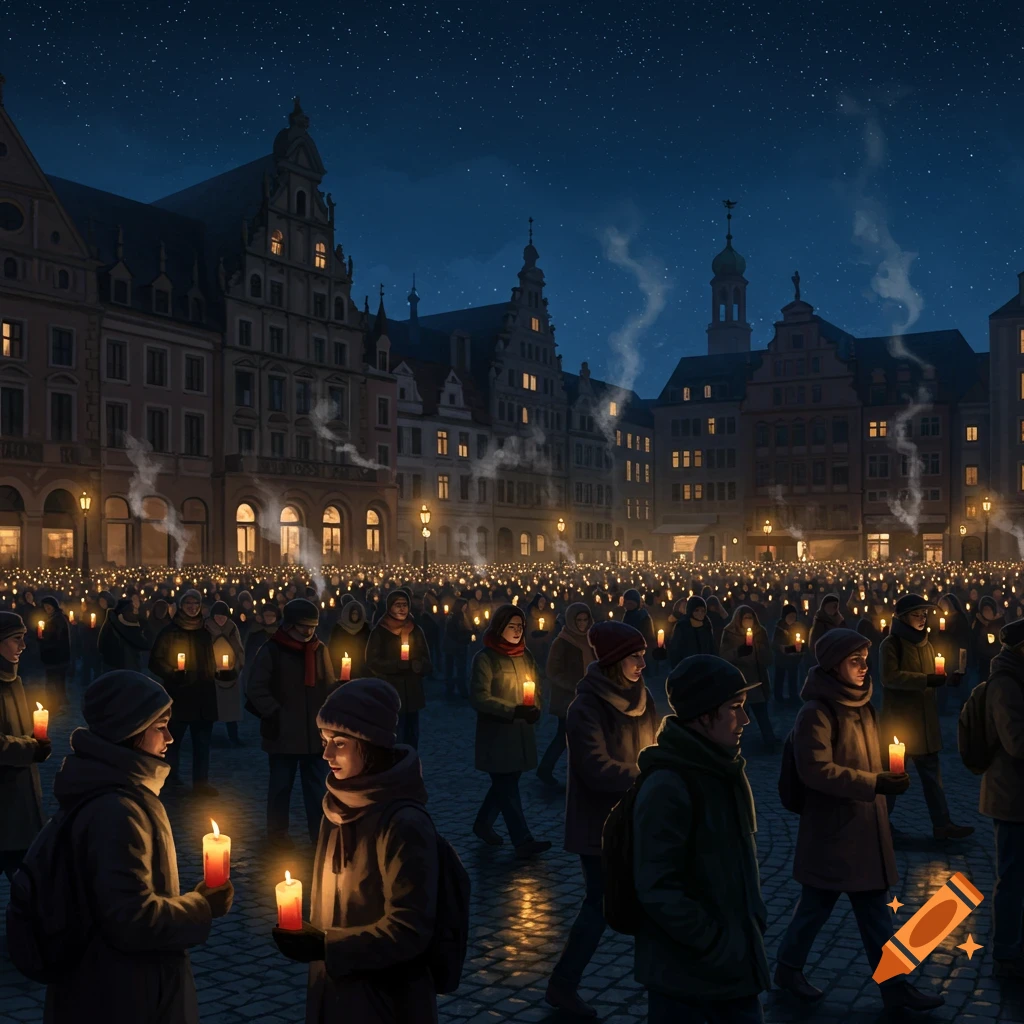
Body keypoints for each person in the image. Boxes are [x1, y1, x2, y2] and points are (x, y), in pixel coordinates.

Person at [42, 670, 233, 1021]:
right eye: (160, 727)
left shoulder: (116, 792)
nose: (171, 738)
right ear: (130, 732)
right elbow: (130, 919)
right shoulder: (117, 811)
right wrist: (201, 907)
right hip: (121, 994)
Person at [774, 629, 943, 1011]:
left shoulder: (863, 705)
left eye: (865, 659)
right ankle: (791, 970)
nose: (865, 667)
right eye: (855, 660)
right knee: (818, 908)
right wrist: (874, 782)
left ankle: (891, 985)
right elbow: (815, 770)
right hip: (834, 832)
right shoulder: (817, 712)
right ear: (834, 665)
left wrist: (886, 773)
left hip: (863, 830)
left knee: (868, 912)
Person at [272, 678, 439, 1023]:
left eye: (340, 743)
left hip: (384, 1001)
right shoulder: (336, 809)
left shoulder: (403, 823)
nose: (326, 754)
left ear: (371, 745)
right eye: (323, 741)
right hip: (335, 994)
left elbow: (410, 930)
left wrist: (327, 946)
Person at [632, 655, 769, 1023]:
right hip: (688, 977)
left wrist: (751, 918)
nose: (745, 719)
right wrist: (714, 942)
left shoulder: (723, 768)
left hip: (732, 966)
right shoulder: (669, 784)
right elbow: (658, 886)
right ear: (703, 714)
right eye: (734, 709)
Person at [546, 621, 659, 1018]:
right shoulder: (586, 707)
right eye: (635, 655)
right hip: (600, 826)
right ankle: (563, 983)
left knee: (653, 900)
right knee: (598, 906)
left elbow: (658, 742)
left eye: (643, 654)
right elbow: (595, 769)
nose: (643, 663)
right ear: (614, 660)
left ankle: (662, 985)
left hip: (641, 819)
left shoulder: (643, 697)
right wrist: (648, 773)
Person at [880, 594, 973, 841]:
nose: (922, 619)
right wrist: (926, 680)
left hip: (925, 724)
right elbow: (890, 678)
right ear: (902, 618)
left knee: (933, 779)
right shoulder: (891, 644)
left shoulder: (927, 644)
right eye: (916, 614)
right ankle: (878, 824)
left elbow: (931, 678)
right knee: (892, 779)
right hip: (901, 725)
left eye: (924, 614)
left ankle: (942, 825)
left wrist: (945, 680)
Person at [246, 598, 335, 848]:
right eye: (303, 626)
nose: (308, 632)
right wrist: (275, 712)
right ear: (289, 625)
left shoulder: (320, 650)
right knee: (280, 788)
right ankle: (277, 836)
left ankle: (319, 836)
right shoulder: (272, 649)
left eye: (312, 627)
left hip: (314, 735)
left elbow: (328, 685)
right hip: (283, 733)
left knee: (316, 789)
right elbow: (255, 687)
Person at [469, 604, 550, 858]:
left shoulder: (525, 655)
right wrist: (512, 710)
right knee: (506, 784)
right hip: (497, 735)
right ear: (499, 626)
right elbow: (479, 697)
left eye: (520, 626)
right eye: (511, 626)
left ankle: (483, 824)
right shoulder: (485, 658)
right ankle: (522, 839)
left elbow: (535, 686)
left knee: (507, 782)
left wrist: (535, 708)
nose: (517, 631)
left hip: (520, 733)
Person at [979, 619, 1024, 978]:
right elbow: (1016, 742)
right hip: (1011, 797)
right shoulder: (1005, 684)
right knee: (1010, 878)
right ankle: (1005, 951)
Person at [149, 589, 219, 795]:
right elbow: (155, 661)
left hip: (204, 695)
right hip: (179, 695)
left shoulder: (206, 632)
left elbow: (217, 657)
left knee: (202, 743)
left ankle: (201, 783)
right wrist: (173, 673)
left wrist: (222, 671)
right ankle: (170, 780)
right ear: (181, 606)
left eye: (195, 603)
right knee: (172, 741)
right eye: (188, 603)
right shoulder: (170, 632)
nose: (192, 607)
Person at [0, 613, 48, 891]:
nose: (23, 646)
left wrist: (36, 741)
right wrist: (31, 748)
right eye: (16, 639)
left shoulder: (13, 680)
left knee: (29, 883)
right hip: (6, 800)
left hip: (19, 799)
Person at [364, 589, 432, 749]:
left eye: (405, 605)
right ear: (389, 607)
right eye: (397, 605)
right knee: (395, 735)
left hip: (412, 692)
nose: (402, 609)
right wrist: (396, 665)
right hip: (391, 692)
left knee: (412, 735)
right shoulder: (380, 631)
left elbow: (427, 661)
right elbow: (372, 662)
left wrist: (419, 665)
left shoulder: (415, 630)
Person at [537, 602, 593, 786]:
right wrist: (574, 685)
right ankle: (546, 769)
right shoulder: (562, 642)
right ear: (571, 621)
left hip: (587, 697)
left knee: (583, 737)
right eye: (579, 620)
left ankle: (580, 774)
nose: (583, 624)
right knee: (563, 737)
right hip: (568, 699)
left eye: (585, 620)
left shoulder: (591, 639)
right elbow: (552, 671)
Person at [720, 605, 776, 752]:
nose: (748, 621)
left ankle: (769, 740)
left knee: (762, 713)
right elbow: (724, 655)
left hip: (757, 680)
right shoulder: (730, 633)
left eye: (750, 618)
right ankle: (734, 743)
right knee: (738, 715)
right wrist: (739, 651)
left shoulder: (760, 632)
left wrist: (759, 649)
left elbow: (769, 658)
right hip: (740, 682)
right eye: (745, 618)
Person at [206, 600, 245, 746]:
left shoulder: (231, 628)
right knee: (210, 708)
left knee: (230, 709)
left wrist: (238, 666)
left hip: (230, 674)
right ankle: (206, 736)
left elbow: (238, 648)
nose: (221, 619)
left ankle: (233, 736)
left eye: (223, 616)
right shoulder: (206, 628)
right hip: (211, 673)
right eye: (218, 616)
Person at [97, 596, 152, 673]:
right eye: (132, 611)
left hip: (129, 667)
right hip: (115, 668)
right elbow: (102, 646)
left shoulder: (130, 623)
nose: (134, 613)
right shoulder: (113, 626)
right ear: (123, 612)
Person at [38, 596, 71, 713]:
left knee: (53, 681)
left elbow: (56, 638)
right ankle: (60, 702)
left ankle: (55, 704)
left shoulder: (58, 619)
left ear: (54, 606)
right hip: (56, 655)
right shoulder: (53, 618)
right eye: (45, 607)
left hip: (56, 655)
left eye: (49, 606)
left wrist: (43, 638)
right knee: (57, 681)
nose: (47, 608)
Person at [327, 600, 371, 683]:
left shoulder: (365, 629)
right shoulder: (339, 629)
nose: (355, 616)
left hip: (361, 670)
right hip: (341, 669)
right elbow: (333, 649)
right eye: (353, 614)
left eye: (357, 614)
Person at [667, 595, 716, 667]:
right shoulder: (682, 625)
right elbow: (676, 650)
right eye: (696, 610)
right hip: (687, 667)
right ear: (690, 610)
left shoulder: (706, 624)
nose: (700, 613)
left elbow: (711, 646)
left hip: (705, 666)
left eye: (703, 611)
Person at [771, 604, 803, 706]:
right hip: (781, 659)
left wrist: (799, 646)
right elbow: (774, 644)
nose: (792, 619)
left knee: (793, 678)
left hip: (793, 659)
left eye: (794, 616)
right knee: (779, 677)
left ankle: (793, 696)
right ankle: (778, 696)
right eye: (790, 616)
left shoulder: (798, 627)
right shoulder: (779, 627)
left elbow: (802, 640)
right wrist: (782, 647)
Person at [442, 598, 474, 700]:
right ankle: (459, 689)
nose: (465, 607)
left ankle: (451, 688)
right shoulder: (456, 617)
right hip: (457, 646)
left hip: (454, 646)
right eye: (464, 605)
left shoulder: (458, 616)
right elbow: (456, 633)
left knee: (453, 669)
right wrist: (469, 636)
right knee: (459, 669)